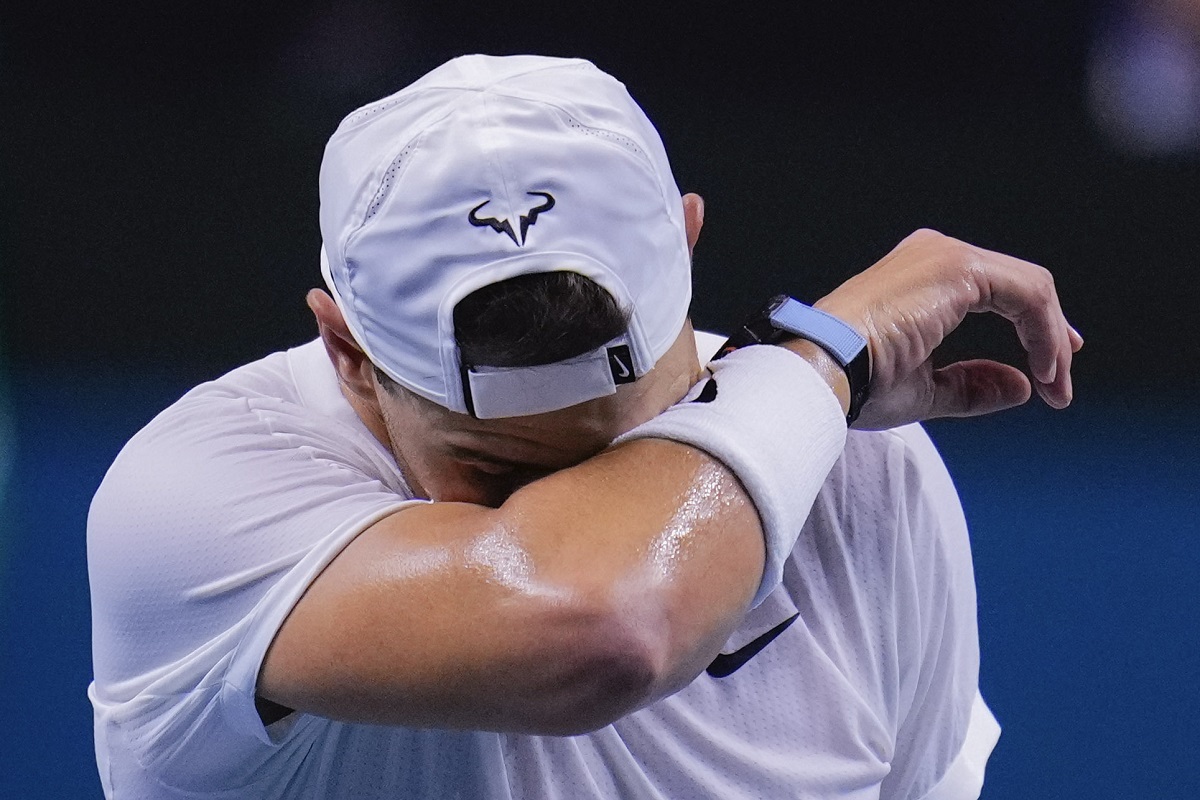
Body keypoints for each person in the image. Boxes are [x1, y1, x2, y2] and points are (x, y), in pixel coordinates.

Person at [87, 54, 1081, 799]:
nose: (586, 496)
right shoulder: (197, 493)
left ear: (689, 246)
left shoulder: (868, 473)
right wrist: (822, 350)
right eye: (495, 474)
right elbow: (609, 622)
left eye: (622, 446)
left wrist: (807, 382)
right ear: (347, 349)